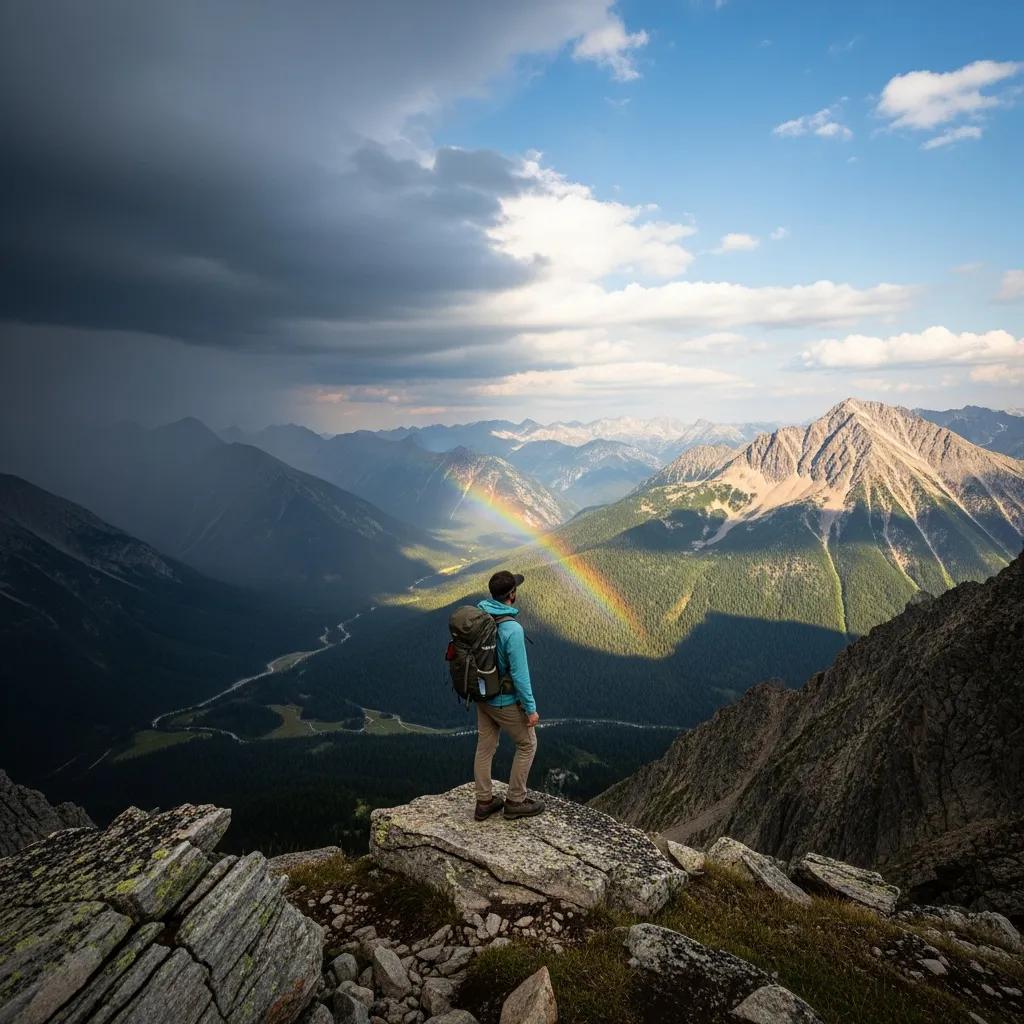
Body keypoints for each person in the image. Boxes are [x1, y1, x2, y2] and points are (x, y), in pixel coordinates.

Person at [472, 570, 546, 821]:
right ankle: (515, 800)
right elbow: (520, 675)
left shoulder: (481, 616)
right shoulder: (512, 630)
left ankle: (484, 801)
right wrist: (531, 709)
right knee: (528, 744)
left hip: (482, 696)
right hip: (503, 700)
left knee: (485, 746)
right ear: (512, 594)